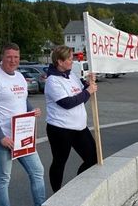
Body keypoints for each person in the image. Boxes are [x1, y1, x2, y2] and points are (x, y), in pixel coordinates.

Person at [0, 43, 45, 206]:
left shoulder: (19, 77)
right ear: (2, 57)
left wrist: (32, 111)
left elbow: (23, 101)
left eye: (16, 57)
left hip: (22, 136)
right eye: (9, 56)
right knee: (4, 179)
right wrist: (1, 137)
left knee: (37, 171)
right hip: (2, 139)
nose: (13, 60)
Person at [44, 45, 98, 192]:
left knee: (93, 158)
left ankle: (75, 188)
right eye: (69, 58)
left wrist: (88, 83)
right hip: (60, 129)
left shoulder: (72, 75)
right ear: (60, 62)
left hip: (79, 127)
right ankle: (57, 194)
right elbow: (67, 103)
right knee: (60, 162)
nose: (72, 61)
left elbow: (81, 97)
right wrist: (87, 91)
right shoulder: (52, 80)